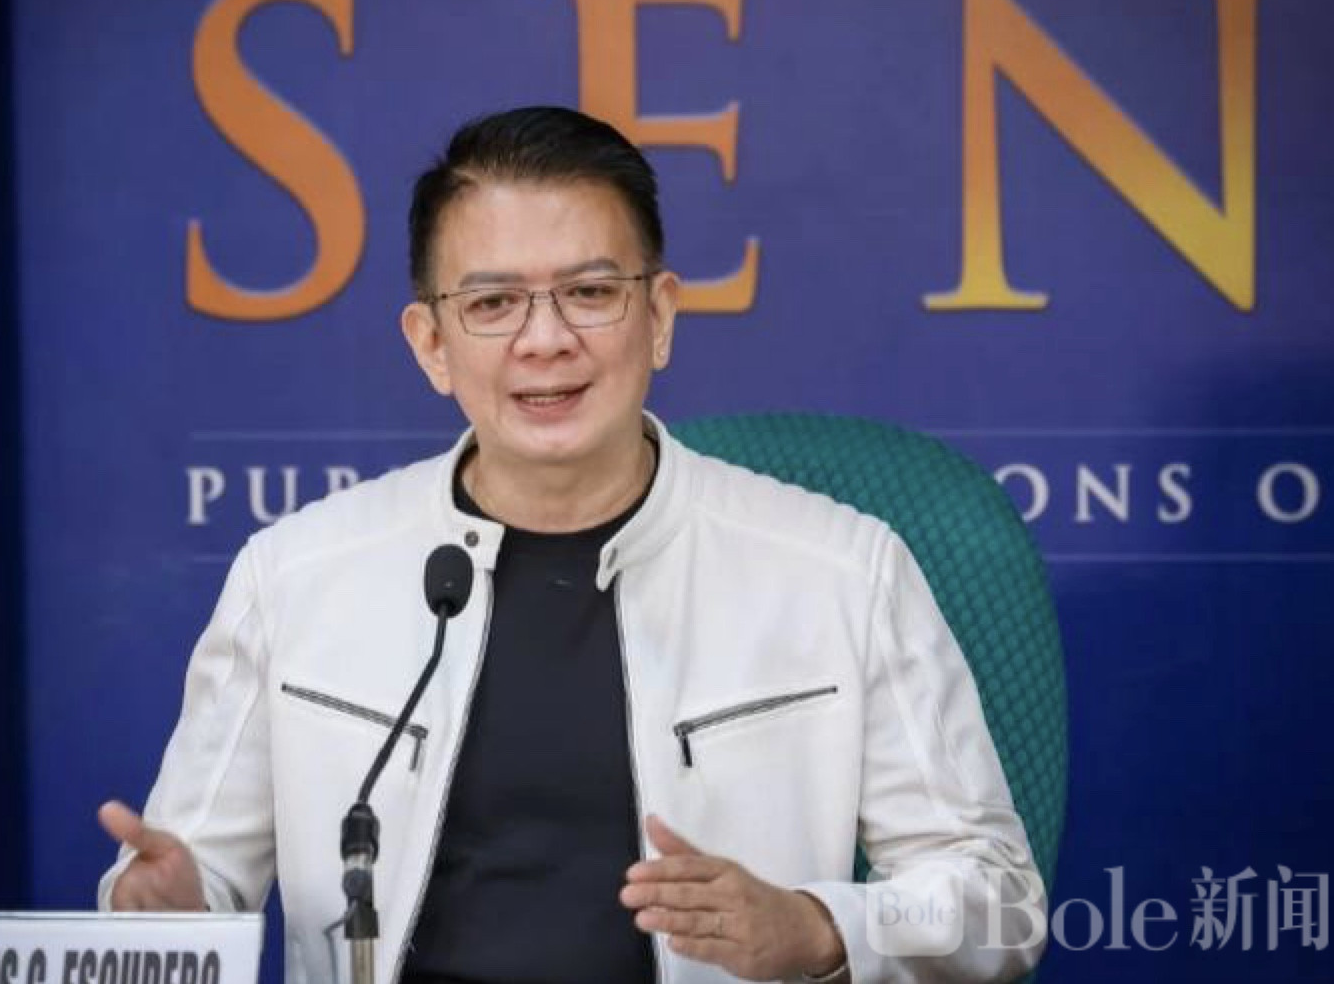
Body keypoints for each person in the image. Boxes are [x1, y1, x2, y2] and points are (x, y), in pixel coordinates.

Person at [98, 106, 1047, 983]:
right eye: (493, 304)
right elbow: (188, 882)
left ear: (660, 317)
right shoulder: (295, 578)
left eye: (591, 292)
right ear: (431, 344)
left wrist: (818, 926)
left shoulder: (840, 571)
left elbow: (999, 902)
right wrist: (166, 915)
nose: (545, 339)